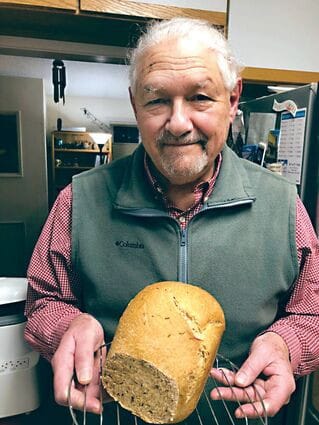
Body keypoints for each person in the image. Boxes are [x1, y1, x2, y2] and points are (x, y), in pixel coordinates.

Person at [25, 17, 319, 424]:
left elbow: (311, 311)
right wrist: (67, 325)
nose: (178, 123)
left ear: (233, 100)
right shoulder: (78, 200)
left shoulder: (284, 205)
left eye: (200, 97)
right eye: (157, 100)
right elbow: (44, 301)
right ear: (134, 104)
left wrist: (286, 344)